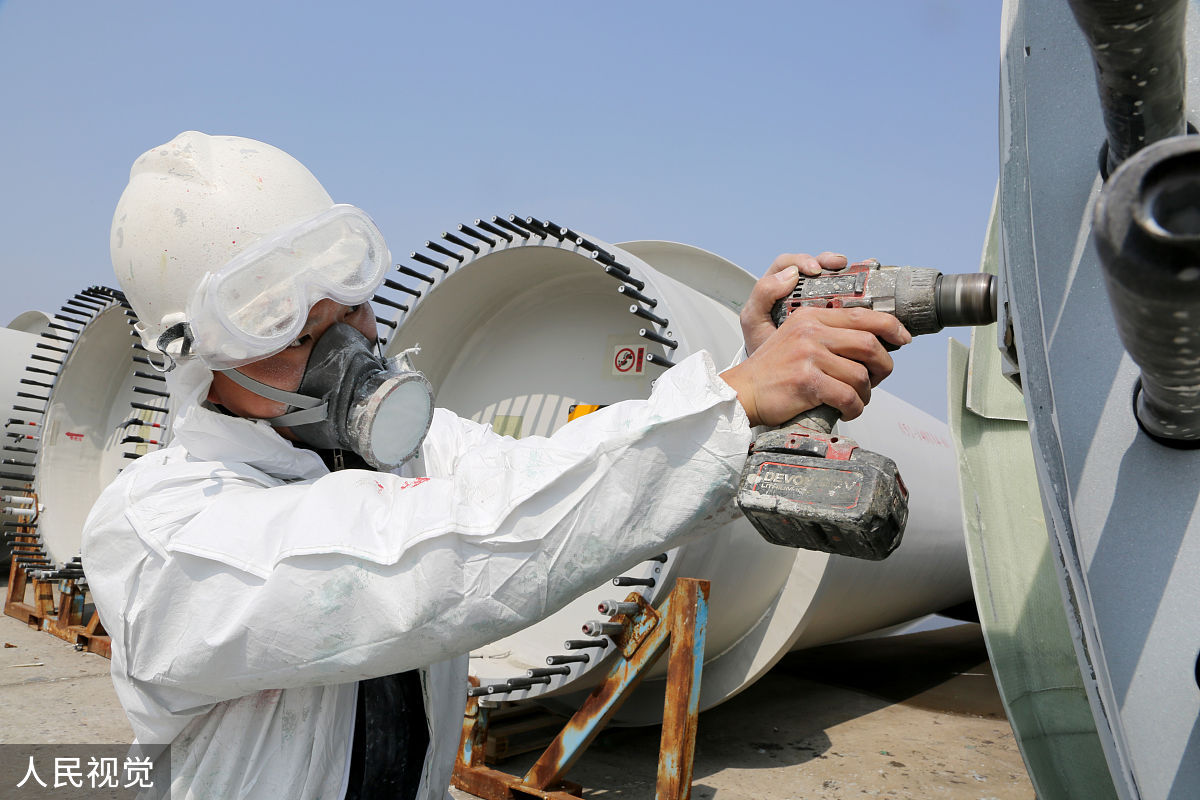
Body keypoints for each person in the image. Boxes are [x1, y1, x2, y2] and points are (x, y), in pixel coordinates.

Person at [83, 131, 910, 800]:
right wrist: (732, 408)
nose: (349, 349)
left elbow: (555, 473)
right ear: (198, 358)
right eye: (297, 336)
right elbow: (434, 555)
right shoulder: (160, 535)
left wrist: (740, 368)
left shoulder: (411, 449)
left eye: (353, 307)